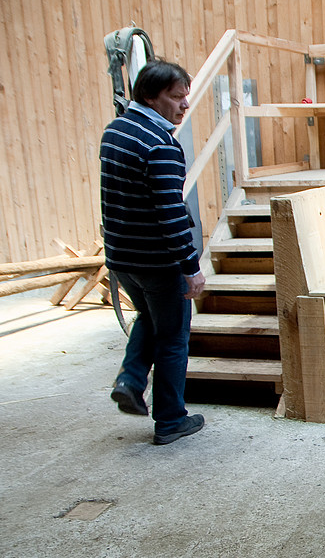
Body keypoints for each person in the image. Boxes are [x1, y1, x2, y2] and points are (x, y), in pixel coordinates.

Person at [101, 59, 207, 445]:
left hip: (122, 258)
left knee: (147, 316)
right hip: (157, 261)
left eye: (185, 98)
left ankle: (130, 380)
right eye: (176, 98)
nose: (184, 106)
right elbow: (170, 212)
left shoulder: (115, 131)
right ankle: (170, 419)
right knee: (174, 336)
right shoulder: (160, 144)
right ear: (149, 95)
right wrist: (190, 266)